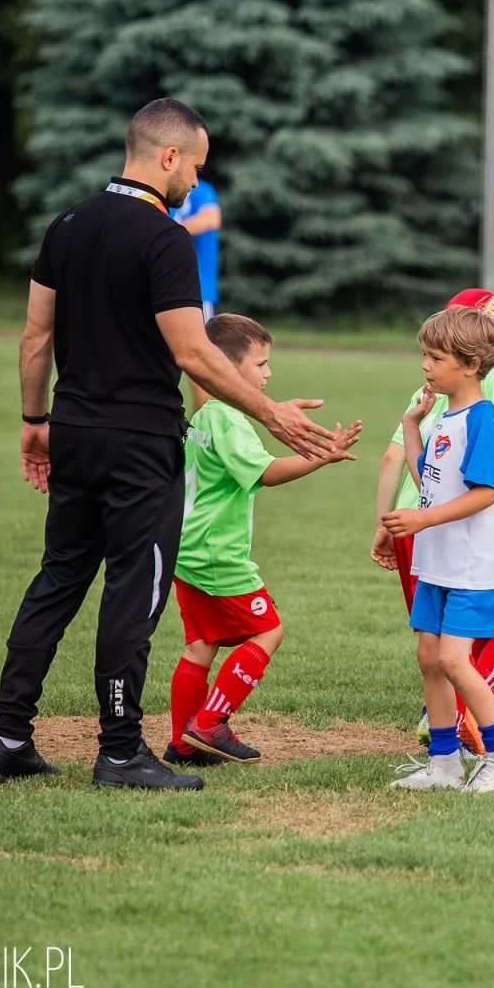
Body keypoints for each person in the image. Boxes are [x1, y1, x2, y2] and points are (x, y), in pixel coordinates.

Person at [0, 98, 337, 791]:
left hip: (74, 430)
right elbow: (194, 354)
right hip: (139, 443)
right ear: (167, 157)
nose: (195, 184)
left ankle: (9, 735)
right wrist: (271, 416)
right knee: (133, 594)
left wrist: (34, 420)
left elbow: (34, 336)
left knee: (59, 577)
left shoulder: (67, 224)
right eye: (194, 167)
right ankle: (118, 751)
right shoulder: (164, 238)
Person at [369, 289, 494, 754]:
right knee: (430, 658)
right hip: (438, 562)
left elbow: (486, 493)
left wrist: (423, 518)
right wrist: (413, 427)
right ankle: (442, 759)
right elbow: (429, 479)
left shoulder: (481, 416)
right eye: (425, 355)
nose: (424, 366)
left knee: (455, 660)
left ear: (472, 365)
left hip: (470, 565)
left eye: (434, 357)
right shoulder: (444, 415)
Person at [167, 316, 362, 766]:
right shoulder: (229, 420)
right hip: (218, 554)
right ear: (228, 369)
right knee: (268, 630)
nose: (269, 373)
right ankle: (210, 724)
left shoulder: (209, 413)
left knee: (200, 647)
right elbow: (265, 473)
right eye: (262, 364)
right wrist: (321, 456)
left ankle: (182, 743)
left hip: (189, 548)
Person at [173, 178, 221, 412]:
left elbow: (211, 218)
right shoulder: (157, 194)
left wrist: (164, 232)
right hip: (156, 291)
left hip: (196, 293)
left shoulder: (201, 190)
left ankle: (202, 436)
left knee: (199, 367)